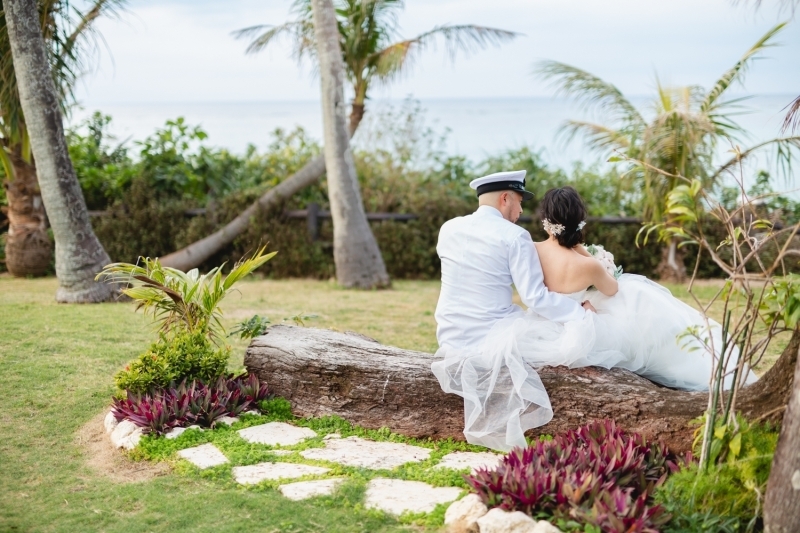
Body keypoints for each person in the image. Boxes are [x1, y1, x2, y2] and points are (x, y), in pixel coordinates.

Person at [431, 170, 594, 452]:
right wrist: (580, 313)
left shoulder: (449, 228)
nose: (520, 210)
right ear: (505, 198)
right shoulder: (514, 236)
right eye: (519, 202)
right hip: (490, 336)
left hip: (449, 334)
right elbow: (536, 298)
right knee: (564, 334)